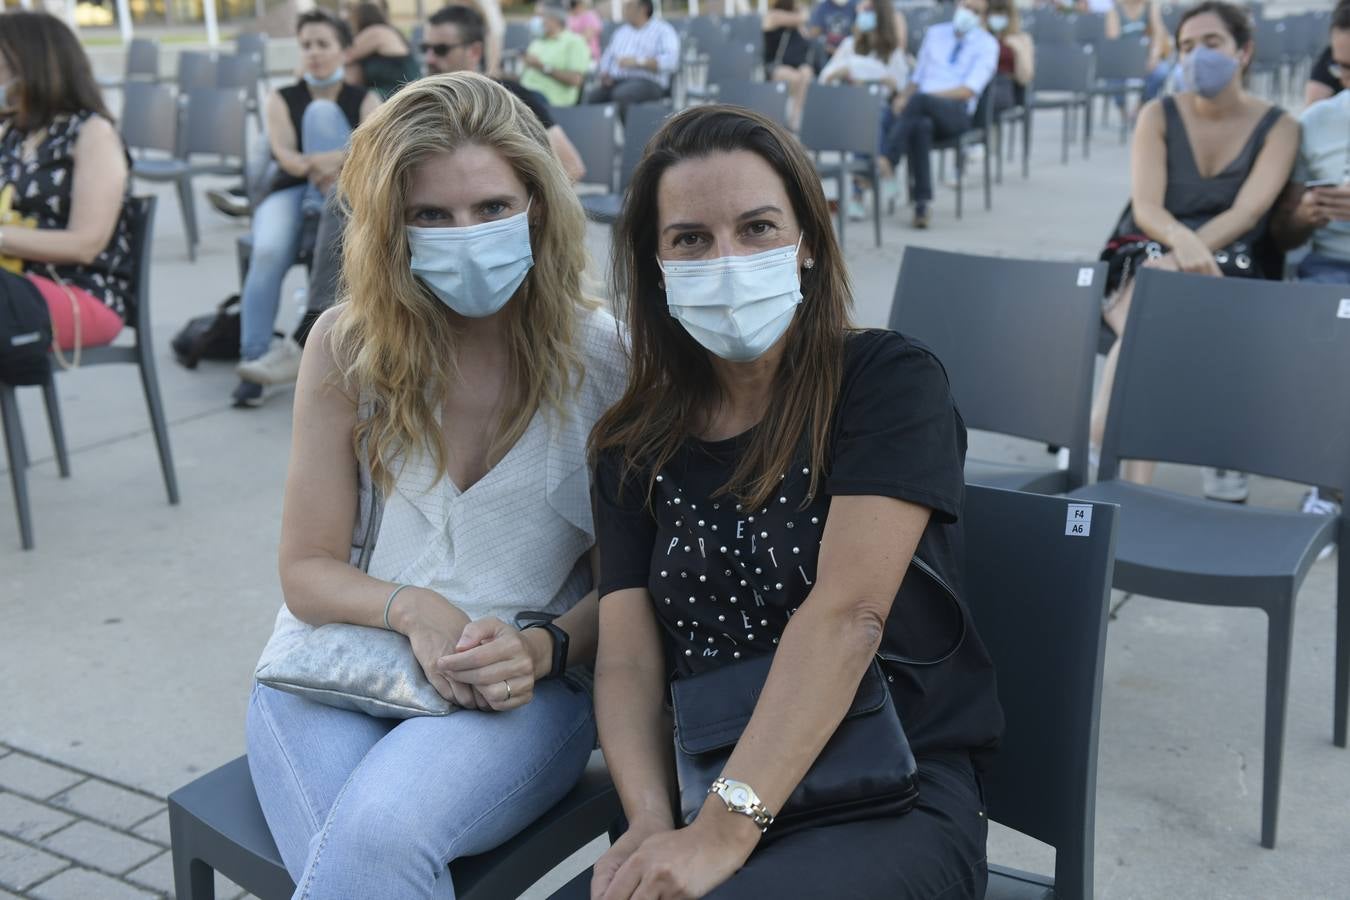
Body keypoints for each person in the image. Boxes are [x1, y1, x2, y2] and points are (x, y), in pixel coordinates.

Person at [588, 104, 1002, 900]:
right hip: (705, 775)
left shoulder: (886, 381)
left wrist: (719, 833)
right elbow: (628, 657)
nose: (728, 258)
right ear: (656, 262)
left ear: (807, 241)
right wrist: (647, 818)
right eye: (691, 239)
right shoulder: (630, 441)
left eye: (757, 228)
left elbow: (848, 615)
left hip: (888, 784)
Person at [246, 71, 627, 896]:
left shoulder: (605, 360)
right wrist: (410, 607)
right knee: (361, 853)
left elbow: (627, 587)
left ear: (538, 203)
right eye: (430, 216)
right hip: (334, 667)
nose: (466, 233)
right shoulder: (349, 347)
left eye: (491, 208)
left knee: (373, 839)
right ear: (392, 229)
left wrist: (540, 646)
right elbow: (306, 572)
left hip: (519, 686)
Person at [1092, 1, 1296, 496]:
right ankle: (1202, 451)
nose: (1197, 55)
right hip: (1149, 245)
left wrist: (1187, 251)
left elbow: (1249, 212)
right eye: (1186, 46)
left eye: (1211, 44)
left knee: (1159, 319)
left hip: (1233, 251)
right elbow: (1147, 206)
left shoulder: (1280, 126)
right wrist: (1179, 242)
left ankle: (1113, 456)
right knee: (1154, 300)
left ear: (1242, 51)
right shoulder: (1157, 114)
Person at [232, 10, 378, 407]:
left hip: (343, 198)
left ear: (345, 51)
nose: (313, 53)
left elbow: (371, 157)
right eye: (306, 45)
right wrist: (333, 159)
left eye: (323, 44)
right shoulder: (282, 97)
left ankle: (322, 211)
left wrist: (328, 163)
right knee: (266, 251)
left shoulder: (364, 99)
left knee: (322, 115)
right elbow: (288, 160)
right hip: (291, 192)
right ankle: (254, 357)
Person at [0, 10, 132, 380]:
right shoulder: (12, 132)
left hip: (79, 292)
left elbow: (86, 244)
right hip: (13, 285)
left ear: (30, 63)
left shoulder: (92, 133)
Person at [424, 4, 585, 181]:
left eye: (441, 50)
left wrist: (528, 206)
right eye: (425, 49)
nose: (429, 59)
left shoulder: (513, 97)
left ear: (475, 51)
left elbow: (572, 167)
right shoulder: (419, 102)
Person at [878, 0, 998, 229]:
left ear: (983, 17)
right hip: (921, 108)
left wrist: (924, 97)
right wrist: (903, 96)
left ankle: (889, 158)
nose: (968, 13)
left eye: (976, 11)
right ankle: (922, 204)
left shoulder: (987, 44)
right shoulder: (935, 34)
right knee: (921, 124)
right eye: (966, 6)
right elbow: (917, 78)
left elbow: (968, 90)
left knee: (921, 102)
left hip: (956, 113)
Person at [817, 0, 908, 221]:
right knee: (863, 114)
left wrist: (881, 79)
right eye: (860, 9)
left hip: (882, 112)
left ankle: (857, 196)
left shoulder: (892, 51)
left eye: (867, 10)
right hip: (847, 111)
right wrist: (845, 72)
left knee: (872, 113)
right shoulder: (849, 45)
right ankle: (883, 167)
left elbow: (902, 86)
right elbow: (824, 78)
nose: (860, 13)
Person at [587, 0, 680, 116]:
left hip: (649, 82)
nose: (624, 9)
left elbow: (670, 62)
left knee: (623, 94)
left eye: (629, 6)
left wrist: (637, 62)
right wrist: (605, 73)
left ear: (643, 9)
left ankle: (631, 132)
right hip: (616, 81)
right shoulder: (621, 32)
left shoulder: (663, 30)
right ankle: (599, 132)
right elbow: (607, 57)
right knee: (593, 97)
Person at [345, 0, 423, 99]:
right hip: (393, 91)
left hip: (403, 91)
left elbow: (345, 56)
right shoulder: (384, 32)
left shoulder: (377, 32)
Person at [520, 3, 592, 107]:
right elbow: (523, 77)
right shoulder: (538, 41)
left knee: (519, 97)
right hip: (526, 93)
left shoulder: (574, 42)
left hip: (551, 101)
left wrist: (542, 66)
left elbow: (576, 80)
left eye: (539, 16)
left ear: (554, 19)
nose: (535, 20)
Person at [1104, 0, 1173, 109]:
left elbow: (1158, 34)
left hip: (1147, 59)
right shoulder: (1115, 10)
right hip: (1123, 60)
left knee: (1161, 72)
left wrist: (1154, 57)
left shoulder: (1150, 6)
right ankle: (1124, 113)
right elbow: (1114, 43)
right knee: (1113, 77)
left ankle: (1141, 107)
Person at [762, 0, 815, 130]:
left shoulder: (797, 22)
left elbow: (806, 37)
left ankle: (795, 119)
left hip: (795, 64)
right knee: (795, 77)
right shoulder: (773, 15)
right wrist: (801, 11)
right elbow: (803, 17)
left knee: (806, 72)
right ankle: (778, 120)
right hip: (775, 65)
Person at [985, 0, 1034, 116]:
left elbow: (1025, 77)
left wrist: (1018, 50)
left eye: (1001, 13)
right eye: (992, 13)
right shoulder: (981, 38)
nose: (996, 17)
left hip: (1004, 87)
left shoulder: (1021, 40)